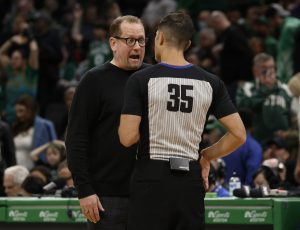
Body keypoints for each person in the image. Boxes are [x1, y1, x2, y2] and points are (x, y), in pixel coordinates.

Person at [118, 12, 246, 230]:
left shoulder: (141, 79)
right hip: (190, 179)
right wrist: (206, 156)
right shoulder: (211, 82)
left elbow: (128, 138)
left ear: (159, 38)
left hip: (152, 177)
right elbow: (239, 134)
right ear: (187, 44)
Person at [66, 15, 148, 229]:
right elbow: (76, 139)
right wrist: (84, 190)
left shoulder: (154, 78)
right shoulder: (93, 80)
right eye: (130, 40)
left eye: (141, 40)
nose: (137, 46)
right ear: (113, 43)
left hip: (150, 193)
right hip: (106, 197)